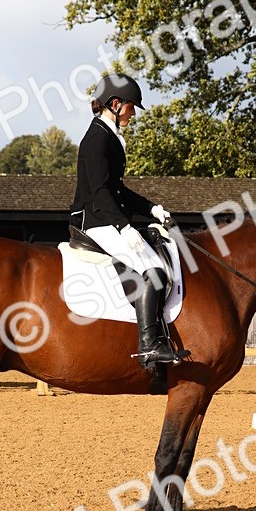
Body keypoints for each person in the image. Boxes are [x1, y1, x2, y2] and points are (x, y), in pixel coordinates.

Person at [69, 73, 182, 368]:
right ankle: (149, 346)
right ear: (116, 103)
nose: (133, 113)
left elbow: (118, 189)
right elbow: (100, 190)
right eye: (132, 106)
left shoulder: (109, 136)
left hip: (107, 216)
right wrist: (124, 226)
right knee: (155, 271)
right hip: (96, 220)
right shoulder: (96, 138)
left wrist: (152, 208)